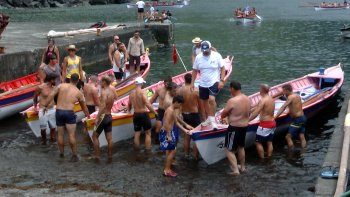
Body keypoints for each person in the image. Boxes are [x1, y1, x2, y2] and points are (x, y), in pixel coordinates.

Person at [42, 73, 90, 157]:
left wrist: (45, 106)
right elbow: (83, 107)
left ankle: (62, 153)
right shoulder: (78, 92)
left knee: (60, 135)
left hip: (59, 111)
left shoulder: (61, 86)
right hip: (69, 112)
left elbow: (51, 95)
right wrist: (88, 116)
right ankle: (74, 154)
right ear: (77, 81)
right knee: (71, 135)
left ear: (69, 79)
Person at [191, 41, 225, 130]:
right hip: (203, 83)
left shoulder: (216, 55)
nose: (205, 52)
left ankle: (213, 120)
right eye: (204, 50)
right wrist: (192, 83)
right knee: (204, 101)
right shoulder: (198, 57)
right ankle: (209, 118)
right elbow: (194, 70)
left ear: (210, 48)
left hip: (214, 81)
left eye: (207, 50)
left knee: (212, 99)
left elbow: (223, 68)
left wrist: (221, 81)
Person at [220, 81, 250, 175]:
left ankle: (235, 170)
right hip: (244, 126)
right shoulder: (247, 99)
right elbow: (247, 113)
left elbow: (223, 114)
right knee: (240, 147)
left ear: (232, 89)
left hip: (235, 127)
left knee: (228, 149)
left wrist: (226, 117)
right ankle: (242, 168)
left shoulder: (233, 100)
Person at [177, 73, 205, 159]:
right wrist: (204, 118)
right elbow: (201, 107)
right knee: (195, 137)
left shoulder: (179, 91)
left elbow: (177, 105)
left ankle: (186, 155)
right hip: (194, 115)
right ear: (193, 80)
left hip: (184, 114)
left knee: (186, 136)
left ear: (184, 80)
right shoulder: (196, 91)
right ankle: (195, 157)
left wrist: (179, 113)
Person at [160, 95, 190, 177]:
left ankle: (168, 168)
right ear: (176, 102)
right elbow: (165, 123)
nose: (180, 107)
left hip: (170, 132)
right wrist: (169, 136)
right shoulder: (169, 110)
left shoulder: (173, 110)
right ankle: (166, 170)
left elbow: (176, 123)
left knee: (171, 150)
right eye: (180, 105)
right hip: (167, 132)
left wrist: (185, 129)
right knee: (173, 150)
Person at [127, 77, 158, 149]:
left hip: (136, 114)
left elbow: (129, 104)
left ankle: (137, 151)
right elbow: (147, 103)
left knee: (137, 134)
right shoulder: (142, 92)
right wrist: (155, 113)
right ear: (141, 84)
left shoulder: (131, 94)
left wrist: (128, 111)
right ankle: (148, 150)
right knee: (147, 134)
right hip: (143, 114)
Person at [274, 84, 307, 149]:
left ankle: (291, 154)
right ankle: (303, 152)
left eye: (284, 91)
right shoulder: (297, 96)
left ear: (287, 91)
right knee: (302, 137)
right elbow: (296, 107)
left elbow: (283, 107)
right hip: (303, 118)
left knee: (288, 137)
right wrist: (289, 111)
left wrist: (275, 117)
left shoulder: (290, 97)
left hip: (297, 120)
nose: (283, 93)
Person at [248, 84, 276, 158]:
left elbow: (256, 113)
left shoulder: (262, 100)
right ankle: (269, 158)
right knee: (269, 142)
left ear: (261, 90)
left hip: (265, 124)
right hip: (272, 122)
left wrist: (247, 120)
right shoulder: (271, 99)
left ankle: (262, 159)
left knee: (258, 143)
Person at [91, 76, 115, 159]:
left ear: (104, 82)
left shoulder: (104, 92)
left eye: (101, 82)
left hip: (103, 116)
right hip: (109, 116)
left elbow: (103, 105)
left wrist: (97, 117)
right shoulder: (111, 92)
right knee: (109, 139)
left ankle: (97, 156)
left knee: (94, 136)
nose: (100, 83)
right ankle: (110, 156)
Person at [33, 73, 59, 143]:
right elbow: (35, 97)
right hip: (43, 110)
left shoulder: (54, 88)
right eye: (55, 80)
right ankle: (44, 141)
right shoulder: (40, 87)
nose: (56, 81)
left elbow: (58, 98)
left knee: (53, 128)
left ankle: (53, 141)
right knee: (43, 129)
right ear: (51, 80)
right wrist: (35, 107)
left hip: (52, 110)